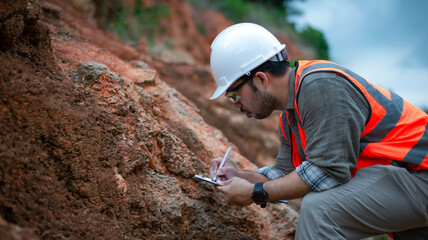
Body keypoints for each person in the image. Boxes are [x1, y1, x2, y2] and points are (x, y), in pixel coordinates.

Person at [208, 23, 428, 240]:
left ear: (261, 79)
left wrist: (254, 193)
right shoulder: (291, 115)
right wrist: (241, 177)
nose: (236, 104)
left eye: (234, 95)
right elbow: (285, 174)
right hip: (408, 180)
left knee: (319, 210)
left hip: (419, 174)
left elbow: (329, 171)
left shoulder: (320, 86)